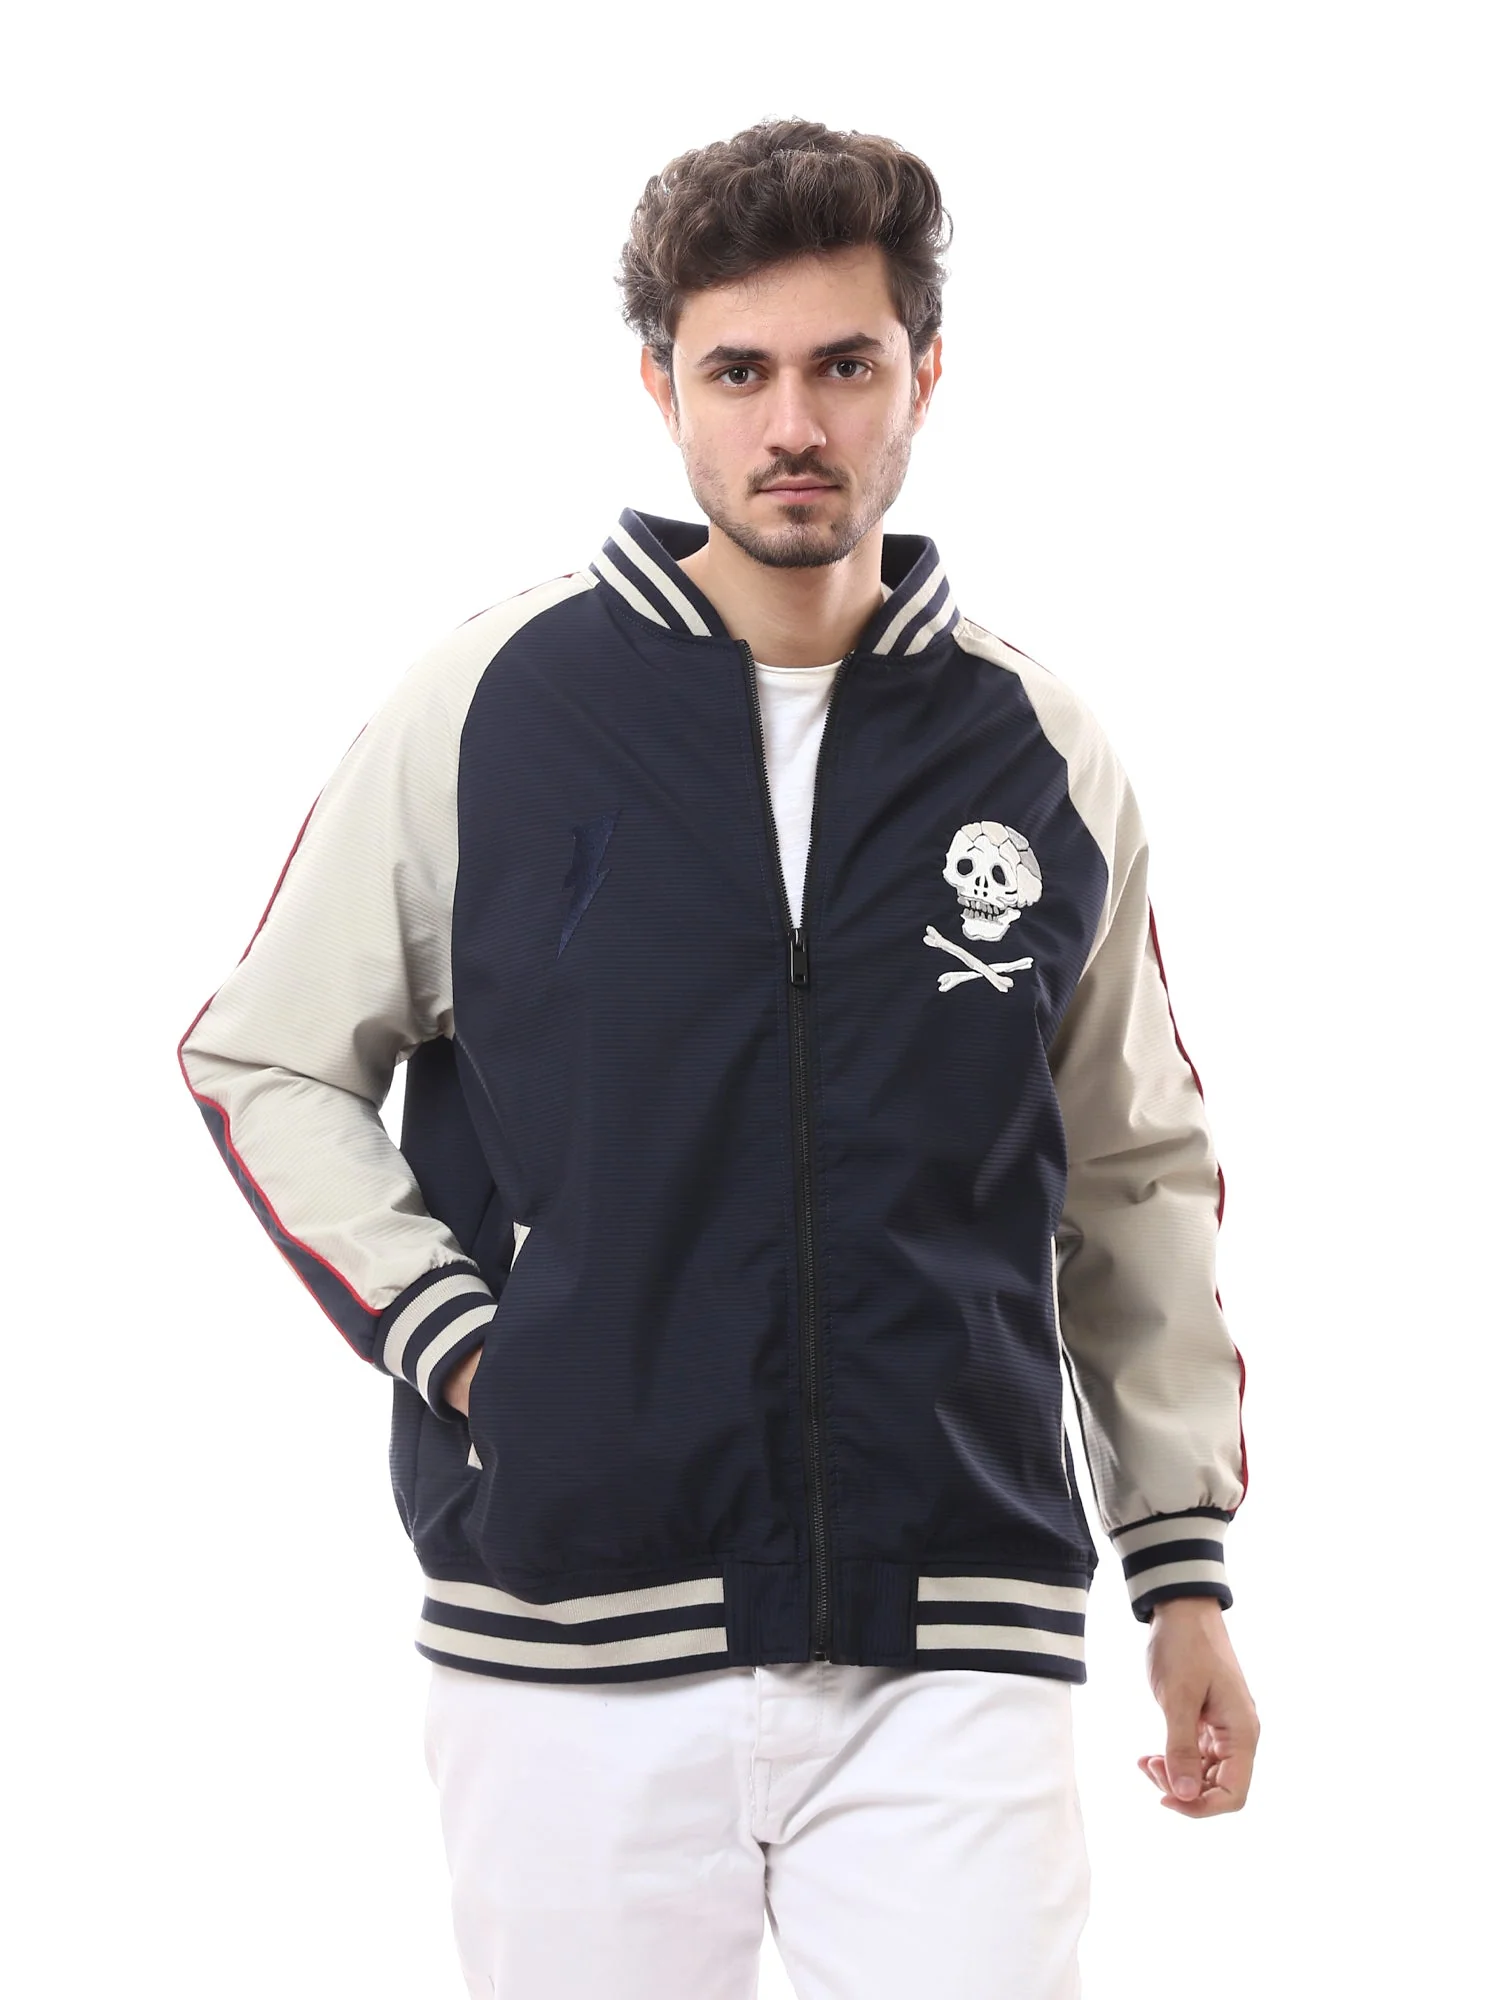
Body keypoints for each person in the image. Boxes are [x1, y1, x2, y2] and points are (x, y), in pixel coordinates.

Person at [177, 117, 1257, 1999]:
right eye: (738, 371)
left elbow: (1132, 1169)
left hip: (952, 1630)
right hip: (570, 1631)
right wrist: (468, 1341)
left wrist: (1181, 1571)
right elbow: (265, 1055)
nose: (794, 425)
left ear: (925, 375)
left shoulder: (1035, 747)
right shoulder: (499, 707)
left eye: (846, 366)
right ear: (660, 386)